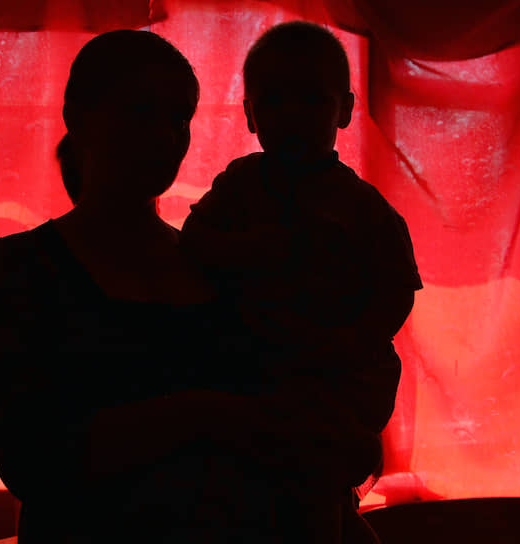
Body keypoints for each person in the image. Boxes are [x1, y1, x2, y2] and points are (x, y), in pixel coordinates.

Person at [0, 29, 382, 544]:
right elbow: (31, 457)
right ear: (78, 116)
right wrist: (205, 416)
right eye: (141, 111)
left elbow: (292, 388)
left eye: (179, 117)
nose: (165, 135)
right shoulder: (22, 267)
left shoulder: (216, 261)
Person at [181, 20, 423, 542]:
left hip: (333, 381)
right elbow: (193, 242)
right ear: (250, 114)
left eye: (312, 100)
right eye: (274, 102)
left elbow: (396, 290)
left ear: (344, 110)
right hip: (252, 377)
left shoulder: (362, 206)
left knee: (316, 491)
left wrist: (350, 343)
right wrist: (248, 249)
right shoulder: (239, 183)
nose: (293, 115)